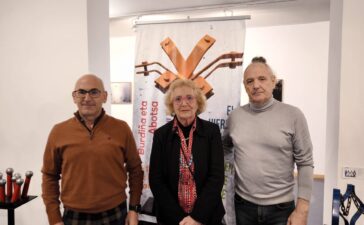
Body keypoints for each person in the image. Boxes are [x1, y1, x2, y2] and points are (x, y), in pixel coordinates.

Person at [41, 74, 143, 225]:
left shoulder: (121, 129)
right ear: (74, 97)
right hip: (74, 217)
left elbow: (135, 170)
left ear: (105, 96)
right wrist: (54, 218)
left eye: (94, 92)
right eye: (81, 92)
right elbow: (49, 176)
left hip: (115, 214)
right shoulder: (58, 132)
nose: (87, 98)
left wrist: (134, 209)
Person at [223, 57, 314, 225]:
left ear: (273, 82)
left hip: (281, 211)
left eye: (262, 79)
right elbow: (224, 149)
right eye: (250, 81)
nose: (256, 85)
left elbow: (306, 162)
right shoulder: (235, 117)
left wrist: (302, 209)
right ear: (245, 86)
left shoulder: (293, 115)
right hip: (243, 207)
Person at [149, 79, 225, 225]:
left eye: (189, 98)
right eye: (178, 99)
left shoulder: (212, 132)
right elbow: (156, 180)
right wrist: (181, 220)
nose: (184, 103)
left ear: (198, 102)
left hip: (206, 217)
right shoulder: (161, 135)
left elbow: (216, 177)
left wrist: (196, 218)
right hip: (172, 219)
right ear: (172, 105)